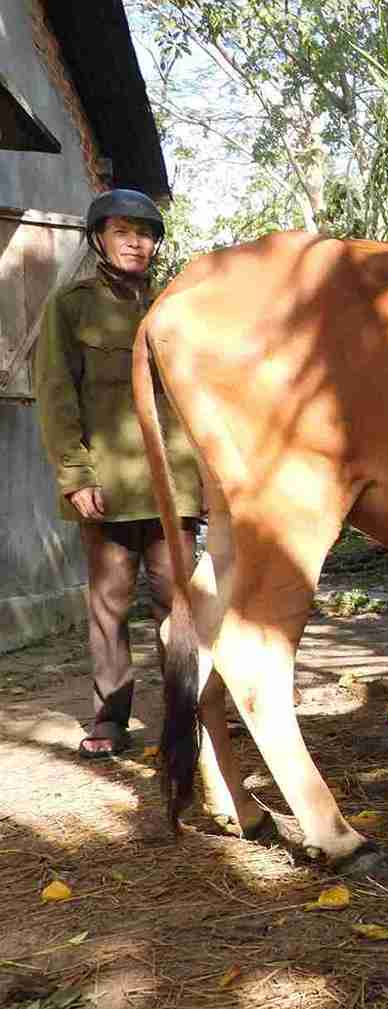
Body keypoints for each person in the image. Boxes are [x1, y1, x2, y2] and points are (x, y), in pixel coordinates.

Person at [33, 189, 203, 758]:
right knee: (109, 605)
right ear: (100, 238)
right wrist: (76, 475)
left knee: (182, 603)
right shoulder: (71, 306)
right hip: (104, 486)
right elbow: (56, 397)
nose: (138, 242)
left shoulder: (172, 307)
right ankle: (111, 720)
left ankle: (193, 714)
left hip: (174, 484)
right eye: (124, 231)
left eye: (147, 234)